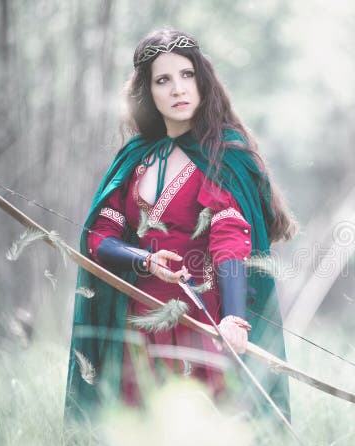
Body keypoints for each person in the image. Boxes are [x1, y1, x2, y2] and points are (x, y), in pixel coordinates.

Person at [64, 28, 296, 423]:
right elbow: (99, 238)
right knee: (139, 438)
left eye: (187, 75)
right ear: (147, 92)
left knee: (205, 436)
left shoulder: (223, 154)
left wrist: (234, 318)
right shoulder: (135, 159)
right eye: (163, 80)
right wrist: (143, 259)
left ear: (203, 81)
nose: (178, 89)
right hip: (137, 322)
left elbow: (230, 239)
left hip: (200, 319)